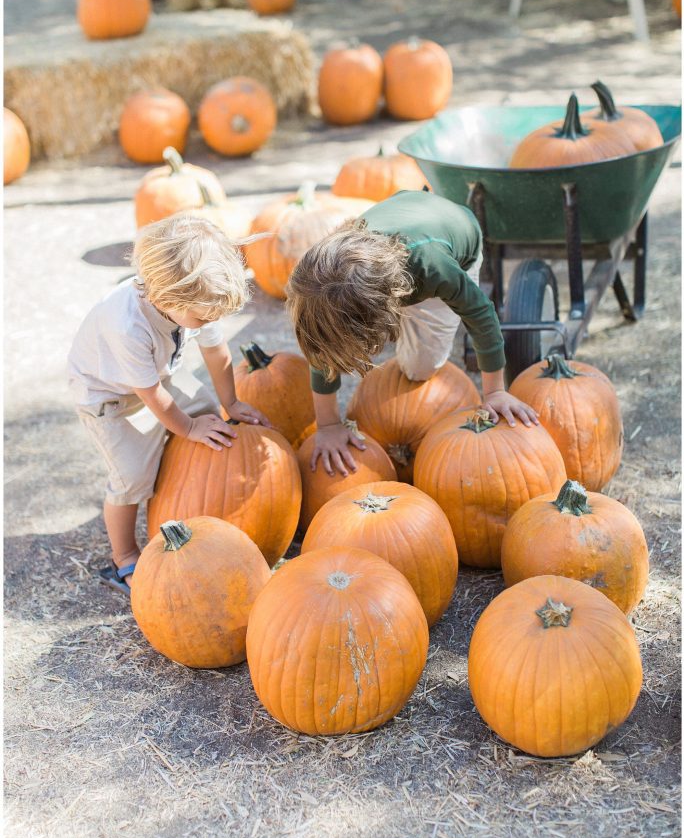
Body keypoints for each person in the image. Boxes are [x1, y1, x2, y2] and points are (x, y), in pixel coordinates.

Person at [68, 214, 270, 596]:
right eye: (202, 317)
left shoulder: (196, 299)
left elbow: (215, 351)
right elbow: (153, 399)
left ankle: (180, 477)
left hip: (154, 376)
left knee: (206, 410)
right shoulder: (128, 326)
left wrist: (231, 402)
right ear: (164, 299)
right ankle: (123, 557)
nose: (207, 322)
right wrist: (190, 428)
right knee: (131, 476)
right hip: (106, 396)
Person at [286, 190, 539, 477]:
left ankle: (405, 328)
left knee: (419, 368)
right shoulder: (320, 275)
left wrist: (494, 391)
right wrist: (328, 424)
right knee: (333, 331)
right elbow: (321, 344)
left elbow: (480, 314)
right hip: (403, 218)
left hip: (455, 238)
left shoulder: (433, 267)